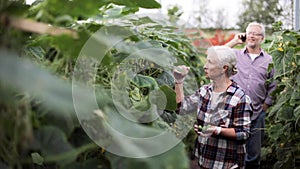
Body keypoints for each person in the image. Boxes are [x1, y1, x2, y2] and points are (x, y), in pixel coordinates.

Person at [173, 46, 252, 169]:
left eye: (210, 62)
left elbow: (243, 133)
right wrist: (179, 81)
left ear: (224, 68)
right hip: (204, 160)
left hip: (226, 164)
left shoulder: (239, 97)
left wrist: (216, 130)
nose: (205, 66)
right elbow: (182, 108)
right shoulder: (204, 91)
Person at [225, 22, 277, 169]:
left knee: (253, 156)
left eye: (256, 33)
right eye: (249, 33)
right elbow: (216, 53)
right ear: (245, 35)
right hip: (234, 111)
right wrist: (235, 41)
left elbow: (273, 85)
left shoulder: (269, 60)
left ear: (262, 38)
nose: (252, 36)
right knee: (232, 153)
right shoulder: (235, 55)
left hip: (257, 112)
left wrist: (266, 105)